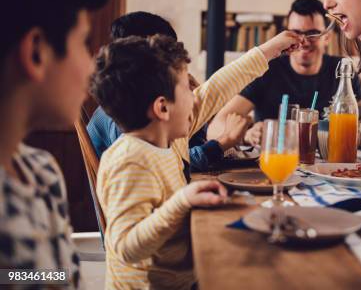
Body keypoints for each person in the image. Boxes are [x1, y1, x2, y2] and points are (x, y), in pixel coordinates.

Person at [90, 32, 301, 289]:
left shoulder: (167, 136)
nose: (196, 96)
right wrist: (181, 202)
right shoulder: (131, 161)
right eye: (188, 90)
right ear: (162, 108)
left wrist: (268, 51)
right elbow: (126, 247)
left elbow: (215, 90)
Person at [0, 0, 110, 287]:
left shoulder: (41, 171)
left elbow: (55, 277)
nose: (91, 66)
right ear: (36, 52)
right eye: (82, 42)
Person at [87, 11, 248, 171]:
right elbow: (166, 162)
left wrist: (191, 101)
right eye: (168, 56)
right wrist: (222, 143)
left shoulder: (149, 103)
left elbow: (188, 143)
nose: (174, 64)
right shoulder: (124, 113)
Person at [207, 0, 361, 146]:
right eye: (296, 33)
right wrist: (247, 134)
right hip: (275, 167)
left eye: (313, 34)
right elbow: (214, 129)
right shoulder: (267, 70)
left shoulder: (343, 70)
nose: (304, 42)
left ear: (327, 37)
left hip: (328, 169)